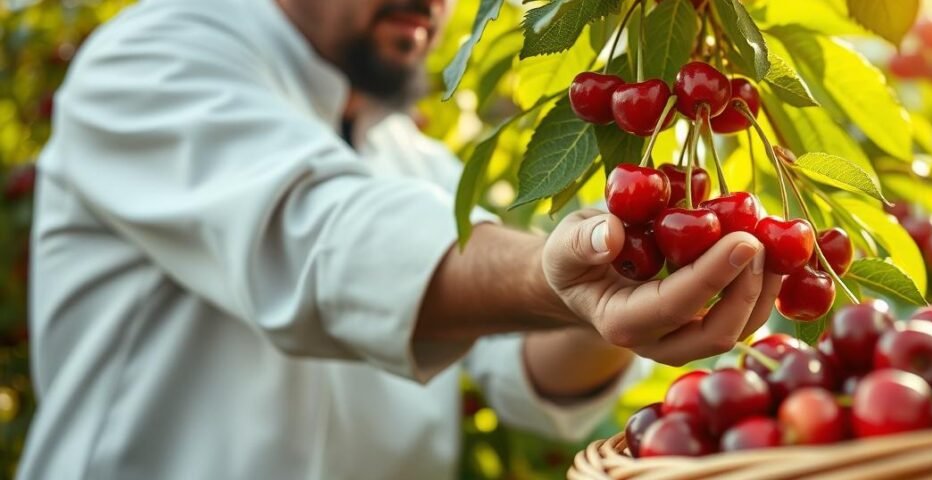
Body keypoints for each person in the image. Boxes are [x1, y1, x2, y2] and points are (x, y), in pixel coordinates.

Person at [19, 0, 783, 478]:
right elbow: (327, 240)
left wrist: (637, 290)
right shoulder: (149, 58)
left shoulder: (414, 160)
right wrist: (565, 282)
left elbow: (524, 372)